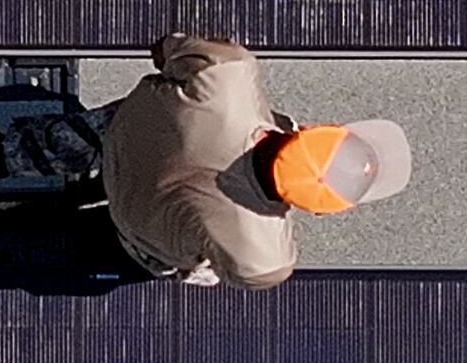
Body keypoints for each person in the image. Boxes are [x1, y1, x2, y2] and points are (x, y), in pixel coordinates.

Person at [98, 32, 410, 289]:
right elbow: (238, 274)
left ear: (312, 131)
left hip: (120, 134)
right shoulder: (265, 261)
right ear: (318, 211)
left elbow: (164, 51)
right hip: (133, 227)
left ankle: (59, 146)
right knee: (206, 270)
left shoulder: (227, 71)